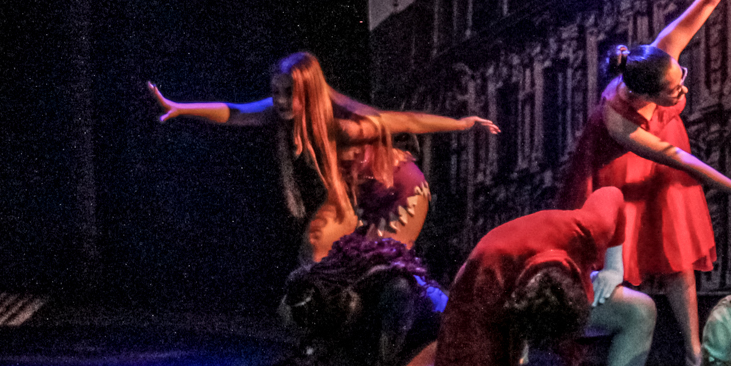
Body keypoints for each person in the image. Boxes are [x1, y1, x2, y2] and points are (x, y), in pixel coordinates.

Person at [559, 0, 731, 366]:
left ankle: (692, 349)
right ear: (646, 96)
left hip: (663, 149)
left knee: (679, 250)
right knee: (620, 254)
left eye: (680, 76)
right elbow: (679, 158)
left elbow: (707, 1)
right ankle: (590, 335)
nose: (683, 88)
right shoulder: (618, 122)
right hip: (621, 171)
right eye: (674, 90)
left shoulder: (661, 54)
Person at [149, 49, 497, 263]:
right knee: (314, 249)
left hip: (399, 190)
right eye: (276, 93)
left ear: (308, 92)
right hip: (355, 194)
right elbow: (236, 113)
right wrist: (180, 108)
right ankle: (323, 339)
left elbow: (406, 121)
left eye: (289, 93)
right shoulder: (285, 111)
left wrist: (462, 123)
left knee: (375, 264)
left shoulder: (345, 127)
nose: (280, 101)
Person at [419, 192, 658, 366]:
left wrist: (614, 268)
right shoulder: (490, 286)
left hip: (549, 275)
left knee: (640, 311)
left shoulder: (589, 229)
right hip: (480, 302)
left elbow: (612, 195)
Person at [278, 234, 444, 366]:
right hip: (407, 341)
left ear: (347, 296)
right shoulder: (324, 287)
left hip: (441, 338)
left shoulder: (395, 289)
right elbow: (289, 310)